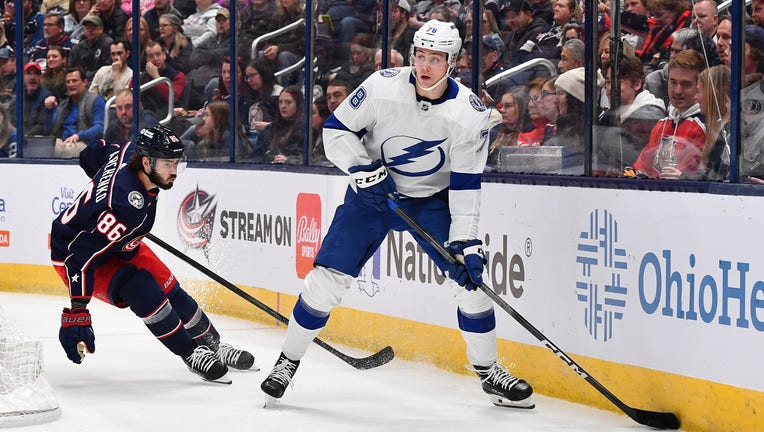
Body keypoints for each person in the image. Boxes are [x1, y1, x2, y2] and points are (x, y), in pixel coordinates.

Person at [259, 20, 534, 409]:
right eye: (420, 55)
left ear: (452, 62)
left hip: (430, 202)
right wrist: (360, 168)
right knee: (325, 281)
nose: (424, 65)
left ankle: (489, 373)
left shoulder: (469, 115)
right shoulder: (381, 86)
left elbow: (466, 188)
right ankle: (287, 362)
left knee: (472, 284)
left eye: (435, 59)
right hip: (372, 196)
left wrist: (467, 243)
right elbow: (336, 131)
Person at [50, 125, 255, 384]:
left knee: (169, 287)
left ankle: (213, 344)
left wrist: (100, 196)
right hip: (73, 255)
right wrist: (77, 310)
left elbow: (91, 154)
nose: (174, 171)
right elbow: (80, 257)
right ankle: (191, 353)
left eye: (176, 163)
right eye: (168, 164)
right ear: (146, 162)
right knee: (143, 289)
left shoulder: (127, 153)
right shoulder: (124, 207)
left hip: (117, 242)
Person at [631, 49, 705, 179]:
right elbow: (640, 168)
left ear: (699, 86)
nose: (678, 91)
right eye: (673, 82)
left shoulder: (703, 126)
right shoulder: (661, 125)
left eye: (686, 84)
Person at [49, 66, 106, 158]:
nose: (71, 84)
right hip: (63, 141)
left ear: (85, 82)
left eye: (74, 81)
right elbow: (50, 127)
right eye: (68, 82)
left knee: (68, 149)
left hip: (85, 143)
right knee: (45, 146)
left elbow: (100, 127)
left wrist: (78, 136)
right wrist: (50, 109)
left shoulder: (95, 100)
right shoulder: (64, 103)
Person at [692, 64, 730, 181]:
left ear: (713, 93)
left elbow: (717, 181)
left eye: (698, 91)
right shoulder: (714, 130)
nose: (695, 97)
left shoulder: (726, 135)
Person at [253, 85, 304, 164]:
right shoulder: (270, 129)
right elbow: (255, 156)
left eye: (288, 102)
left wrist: (288, 161)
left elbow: (304, 158)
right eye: (280, 102)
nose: (283, 106)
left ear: (298, 105)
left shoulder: (304, 130)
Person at [487, 86, 532, 169]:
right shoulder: (494, 133)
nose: (502, 110)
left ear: (523, 108)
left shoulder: (532, 134)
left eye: (508, 106)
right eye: (502, 106)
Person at [9, 62, 54, 137]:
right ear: (23, 77)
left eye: (36, 74)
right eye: (29, 73)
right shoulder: (17, 98)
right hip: (16, 138)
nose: (32, 77)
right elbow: (10, 120)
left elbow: (42, 126)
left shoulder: (47, 97)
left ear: (40, 77)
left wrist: (25, 136)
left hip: (36, 141)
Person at [68, 14, 113, 81]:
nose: (90, 30)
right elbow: (71, 68)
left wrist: (86, 76)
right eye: (87, 28)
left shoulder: (108, 44)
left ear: (101, 29)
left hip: (101, 80)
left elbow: (108, 69)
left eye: (93, 27)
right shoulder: (77, 48)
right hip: (80, 81)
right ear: (83, 30)